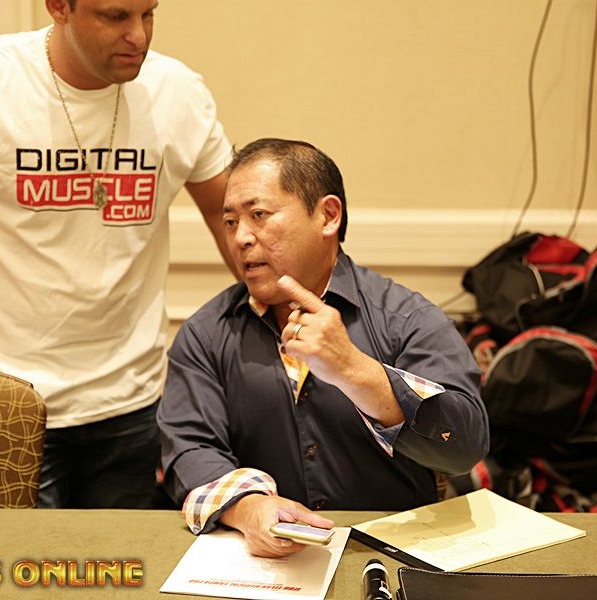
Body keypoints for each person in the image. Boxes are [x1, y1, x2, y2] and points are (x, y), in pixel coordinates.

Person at [0, 0, 235, 508]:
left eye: (148, 14)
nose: (139, 36)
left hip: (133, 400)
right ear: (59, 6)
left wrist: (284, 312)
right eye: (116, 16)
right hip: (4, 401)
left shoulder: (178, 92)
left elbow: (229, 213)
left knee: (119, 559)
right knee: (17, 559)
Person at [158, 138, 489, 557]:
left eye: (258, 215)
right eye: (229, 221)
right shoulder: (206, 333)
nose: (240, 238)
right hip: (261, 562)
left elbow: (463, 448)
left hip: (390, 556)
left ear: (328, 216)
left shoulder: (405, 318)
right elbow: (189, 447)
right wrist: (248, 507)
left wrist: (353, 369)